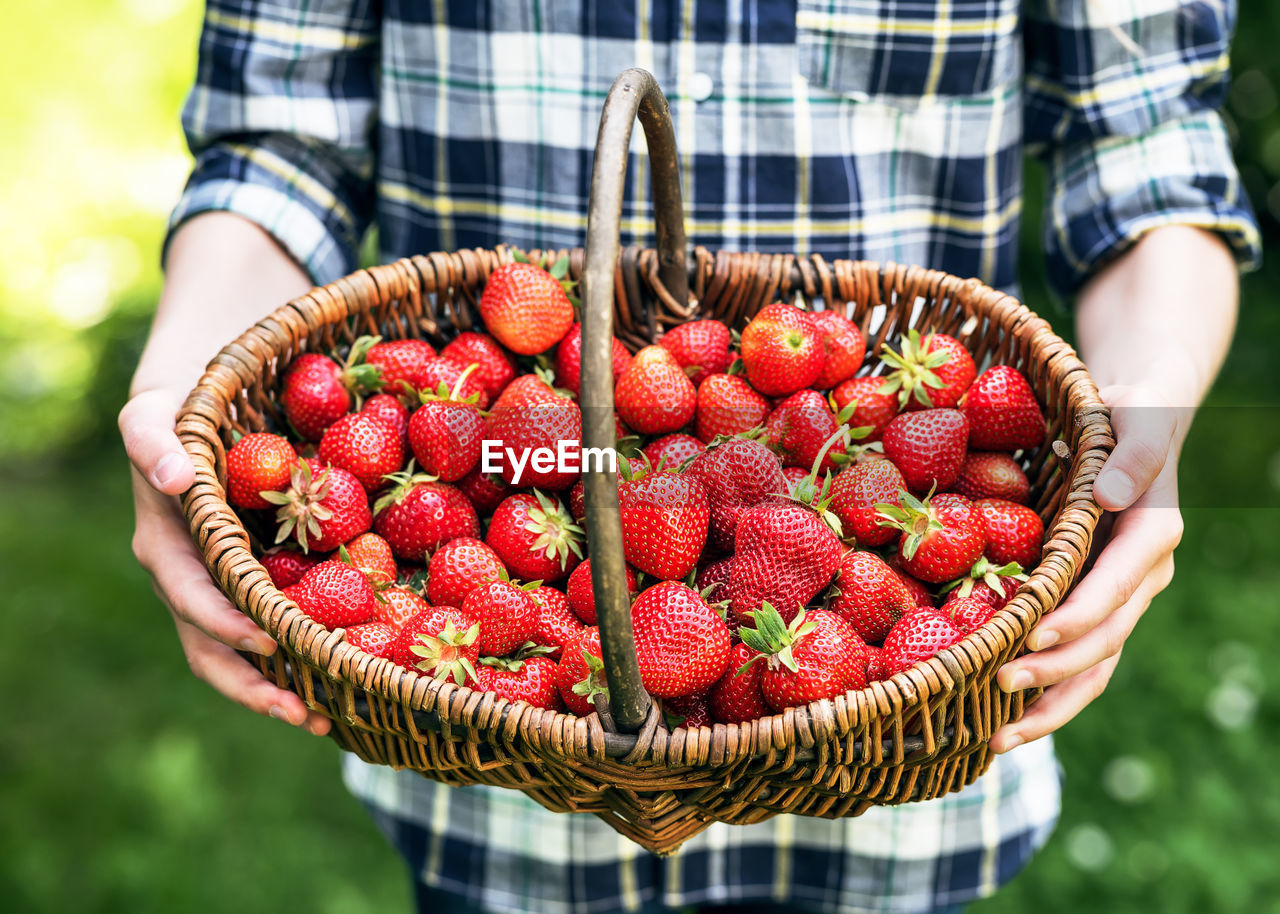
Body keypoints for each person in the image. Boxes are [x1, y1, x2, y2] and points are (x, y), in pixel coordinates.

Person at [120, 1, 1259, 912]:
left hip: (909, 736)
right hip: (482, 751)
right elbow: (277, 150)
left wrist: (1138, 417)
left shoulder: (827, 522)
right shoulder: (515, 534)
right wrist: (181, 394)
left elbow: (1146, 150)